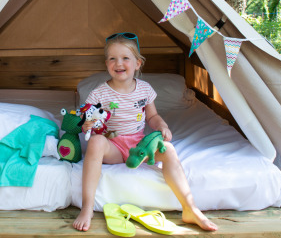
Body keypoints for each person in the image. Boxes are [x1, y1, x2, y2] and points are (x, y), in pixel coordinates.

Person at [72, 32, 218, 232]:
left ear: (138, 63)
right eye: (112, 58)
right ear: (107, 64)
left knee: (169, 150)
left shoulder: (145, 89)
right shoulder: (99, 93)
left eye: (125, 58)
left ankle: (190, 208)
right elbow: (88, 120)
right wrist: (87, 125)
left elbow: (152, 117)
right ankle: (87, 206)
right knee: (96, 142)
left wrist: (162, 126)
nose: (118, 63)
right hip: (112, 146)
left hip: (138, 147)